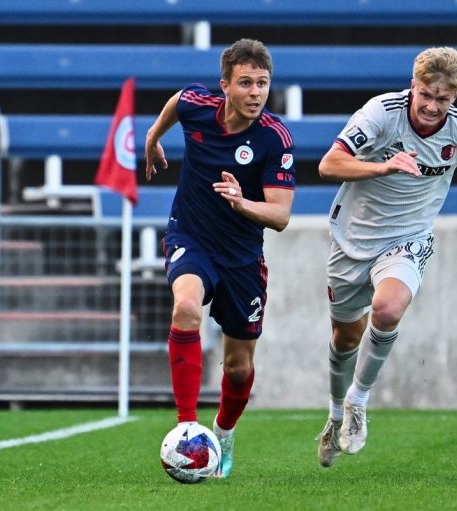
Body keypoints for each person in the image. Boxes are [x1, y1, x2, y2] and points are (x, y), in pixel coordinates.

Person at [315, 46, 457, 467]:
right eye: (426, 95)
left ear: (455, 97)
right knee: (345, 337)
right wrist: (384, 166)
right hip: (351, 239)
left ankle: (358, 404)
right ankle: (334, 413)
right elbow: (329, 164)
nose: (433, 106)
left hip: (409, 238)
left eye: (443, 98)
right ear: (413, 86)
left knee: (388, 309)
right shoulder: (380, 113)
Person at [145, 38, 296, 478]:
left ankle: (223, 433)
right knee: (186, 306)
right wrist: (155, 137)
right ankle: (187, 429)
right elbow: (177, 102)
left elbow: (281, 215)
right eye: (245, 83)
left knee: (238, 366)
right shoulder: (197, 105)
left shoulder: (273, 138)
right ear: (225, 86)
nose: (255, 92)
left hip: (243, 257)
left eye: (262, 83)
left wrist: (241, 202)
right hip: (191, 237)